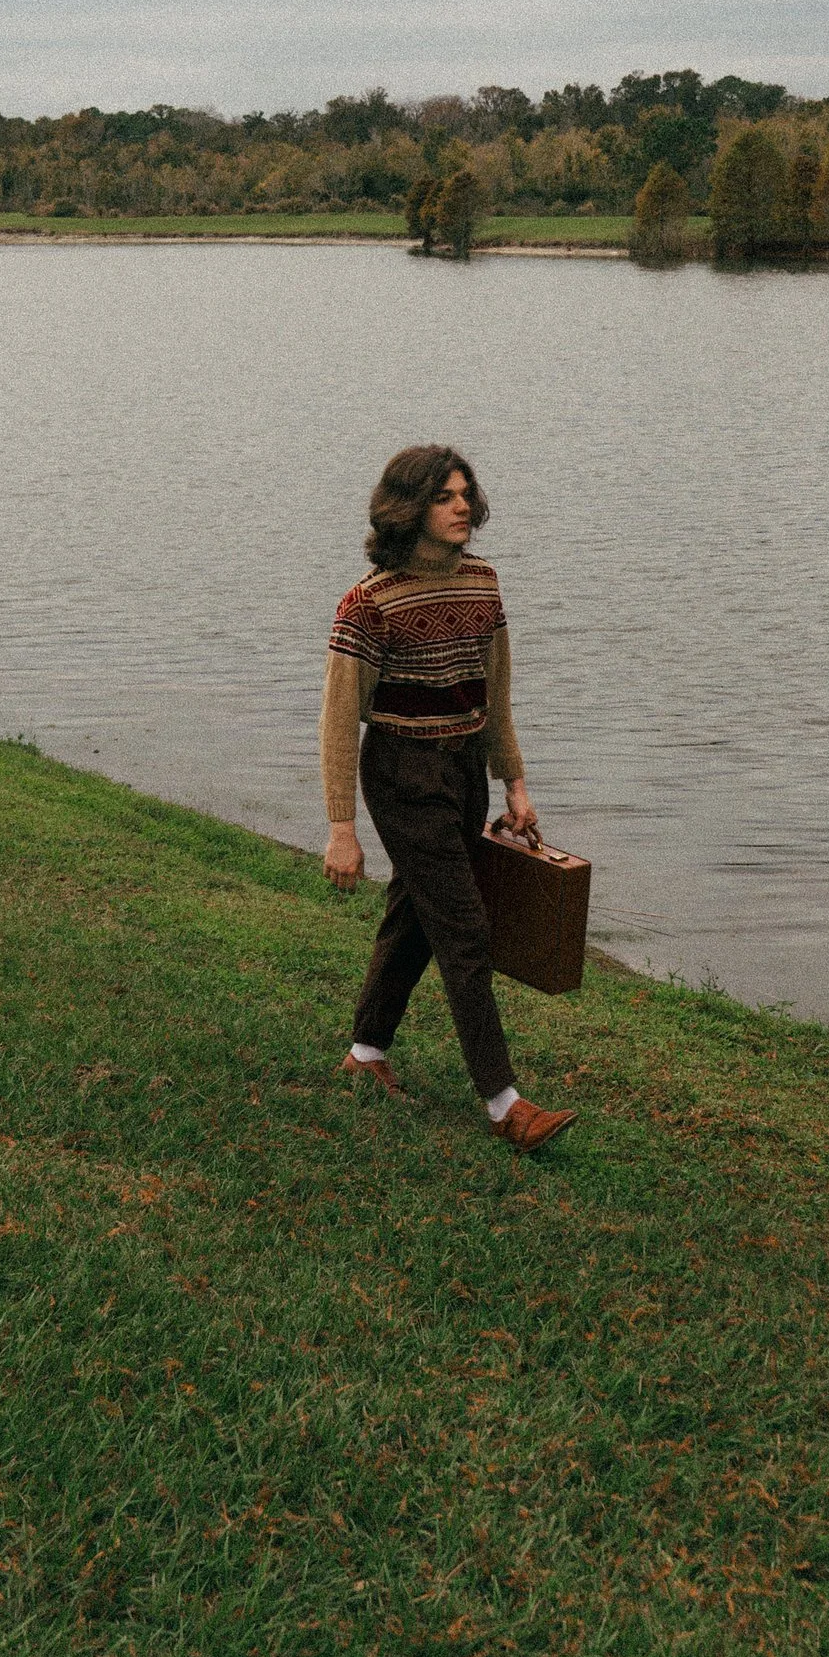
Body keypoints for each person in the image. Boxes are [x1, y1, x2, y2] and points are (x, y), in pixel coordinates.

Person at [320, 445, 576, 1153]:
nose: (464, 505)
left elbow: (497, 697)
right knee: (463, 927)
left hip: (462, 768)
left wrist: (514, 783)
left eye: (467, 493)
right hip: (401, 772)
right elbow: (339, 721)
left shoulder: (485, 584)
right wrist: (343, 827)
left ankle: (366, 1054)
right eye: (446, 496)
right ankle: (506, 1104)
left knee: (416, 911)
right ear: (410, 509)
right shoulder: (367, 604)